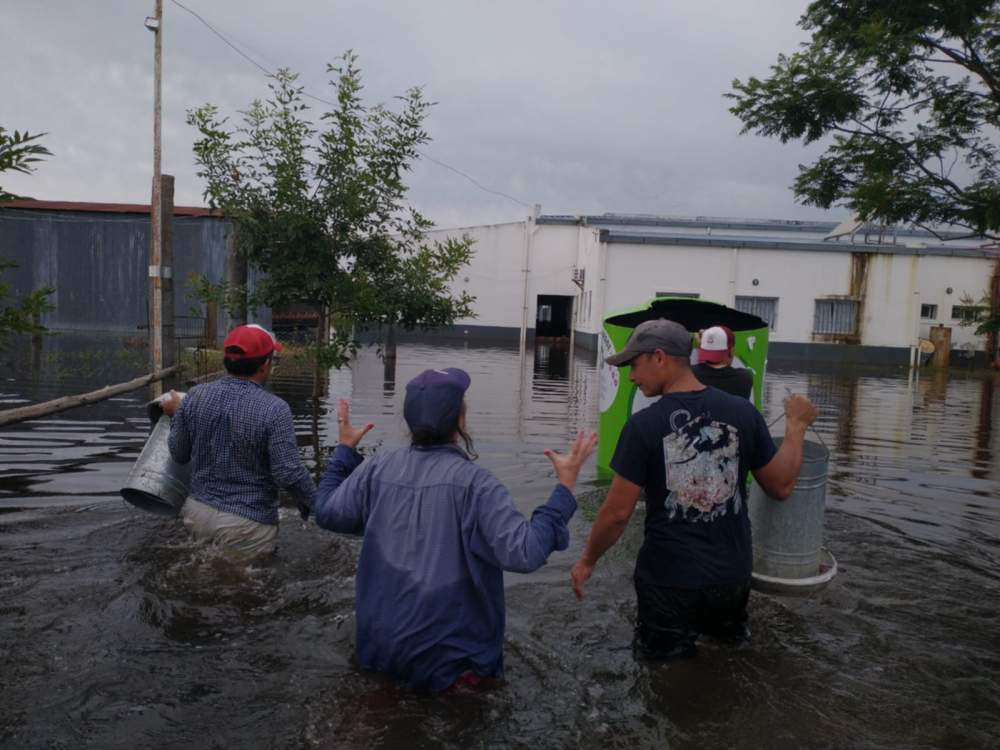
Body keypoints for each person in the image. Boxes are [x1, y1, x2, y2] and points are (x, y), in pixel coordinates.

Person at [312, 367, 597, 691]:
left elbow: (326, 513)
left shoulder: (377, 468)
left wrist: (344, 453)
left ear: (409, 422)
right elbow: (526, 553)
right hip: (451, 664)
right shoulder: (477, 484)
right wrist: (565, 487)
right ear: (460, 421)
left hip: (378, 648)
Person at [569, 319, 817, 659]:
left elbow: (616, 514)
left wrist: (586, 561)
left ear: (659, 357)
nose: (630, 376)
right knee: (727, 661)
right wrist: (796, 427)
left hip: (670, 582)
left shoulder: (643, 426)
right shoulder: (743, 413)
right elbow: (781, 485)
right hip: (731, 578)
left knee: (666, 677)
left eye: (634, 365)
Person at [161, 324, 316, 560]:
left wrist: (176, 417)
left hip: (197, 513)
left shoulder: (195, 396)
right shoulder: (275, 409)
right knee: (247, 591)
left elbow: (179, 453)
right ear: (266, 364)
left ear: (226, 361)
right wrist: (320, 503)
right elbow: (288, 473)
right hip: (246, 524)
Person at [692, 325, 754, 399]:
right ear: (731, 351)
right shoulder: (744, 378)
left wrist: (704, 348)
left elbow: (702, 372)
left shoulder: (690, 374)